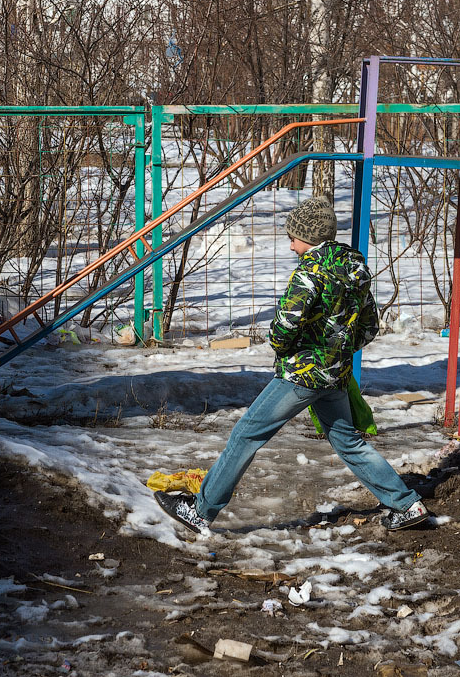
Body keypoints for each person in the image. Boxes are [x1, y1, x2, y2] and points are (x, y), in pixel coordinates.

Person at [155, 197, 430, 534]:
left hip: (302, 374)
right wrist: (340, 351)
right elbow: (369, 327)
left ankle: (200, 511)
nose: (289, 246)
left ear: (310, 239)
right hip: (335, 374)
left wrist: (286, 351)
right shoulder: (354, 268)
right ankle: (407, 504)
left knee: (246, 434)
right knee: (349, 443)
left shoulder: (308, 274)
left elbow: (284, 327)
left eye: (293, 238)